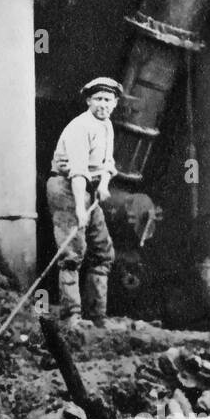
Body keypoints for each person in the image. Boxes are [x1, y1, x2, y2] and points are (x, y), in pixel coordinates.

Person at [47, 77, 123, 325]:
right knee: (72, 252)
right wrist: (80, 209)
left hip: (89, 188)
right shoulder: (80, 127)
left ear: (115, 103)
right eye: (98, 99)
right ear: (89, 100)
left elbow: (107, 165)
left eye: (108, 100)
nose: (103, 104)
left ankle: (97, 316)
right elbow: (78, 172)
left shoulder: (107, 126)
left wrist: (103, 185)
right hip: (67, 187)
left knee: (103, 252)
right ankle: (72, 316)